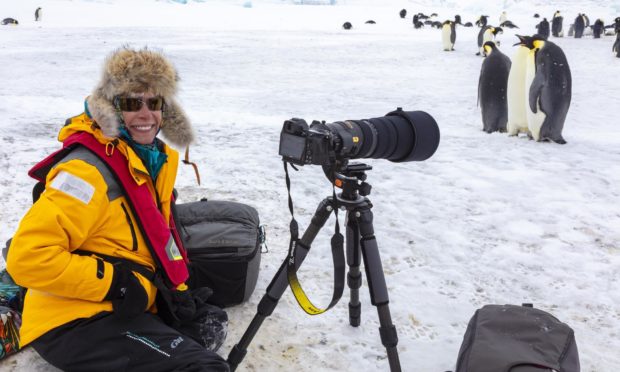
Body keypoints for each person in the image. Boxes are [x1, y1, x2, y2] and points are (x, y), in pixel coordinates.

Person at [6, 47, 230, 371]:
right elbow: (27, 257)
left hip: (122, 308)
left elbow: (156, 235)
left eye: (154, 103)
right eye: (131, 103)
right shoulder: (86, 173)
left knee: (207, 321)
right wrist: (117, 283)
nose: (145, 114)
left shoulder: (152, 161)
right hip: (73, 320)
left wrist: (176, 290)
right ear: (111, 108)